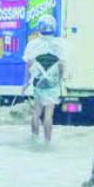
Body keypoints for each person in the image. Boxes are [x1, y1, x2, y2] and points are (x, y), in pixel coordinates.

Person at [21, 14, 66, 142]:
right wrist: (60, 80)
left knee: (36, 112)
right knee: (48, 115)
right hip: (52, 83)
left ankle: (34, 138)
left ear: (39, 28)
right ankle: (48, 141)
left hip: (38, 82)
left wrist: (25, 83)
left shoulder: (33, 44)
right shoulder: (59, 44)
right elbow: (62, 65)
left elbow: (28, 64)